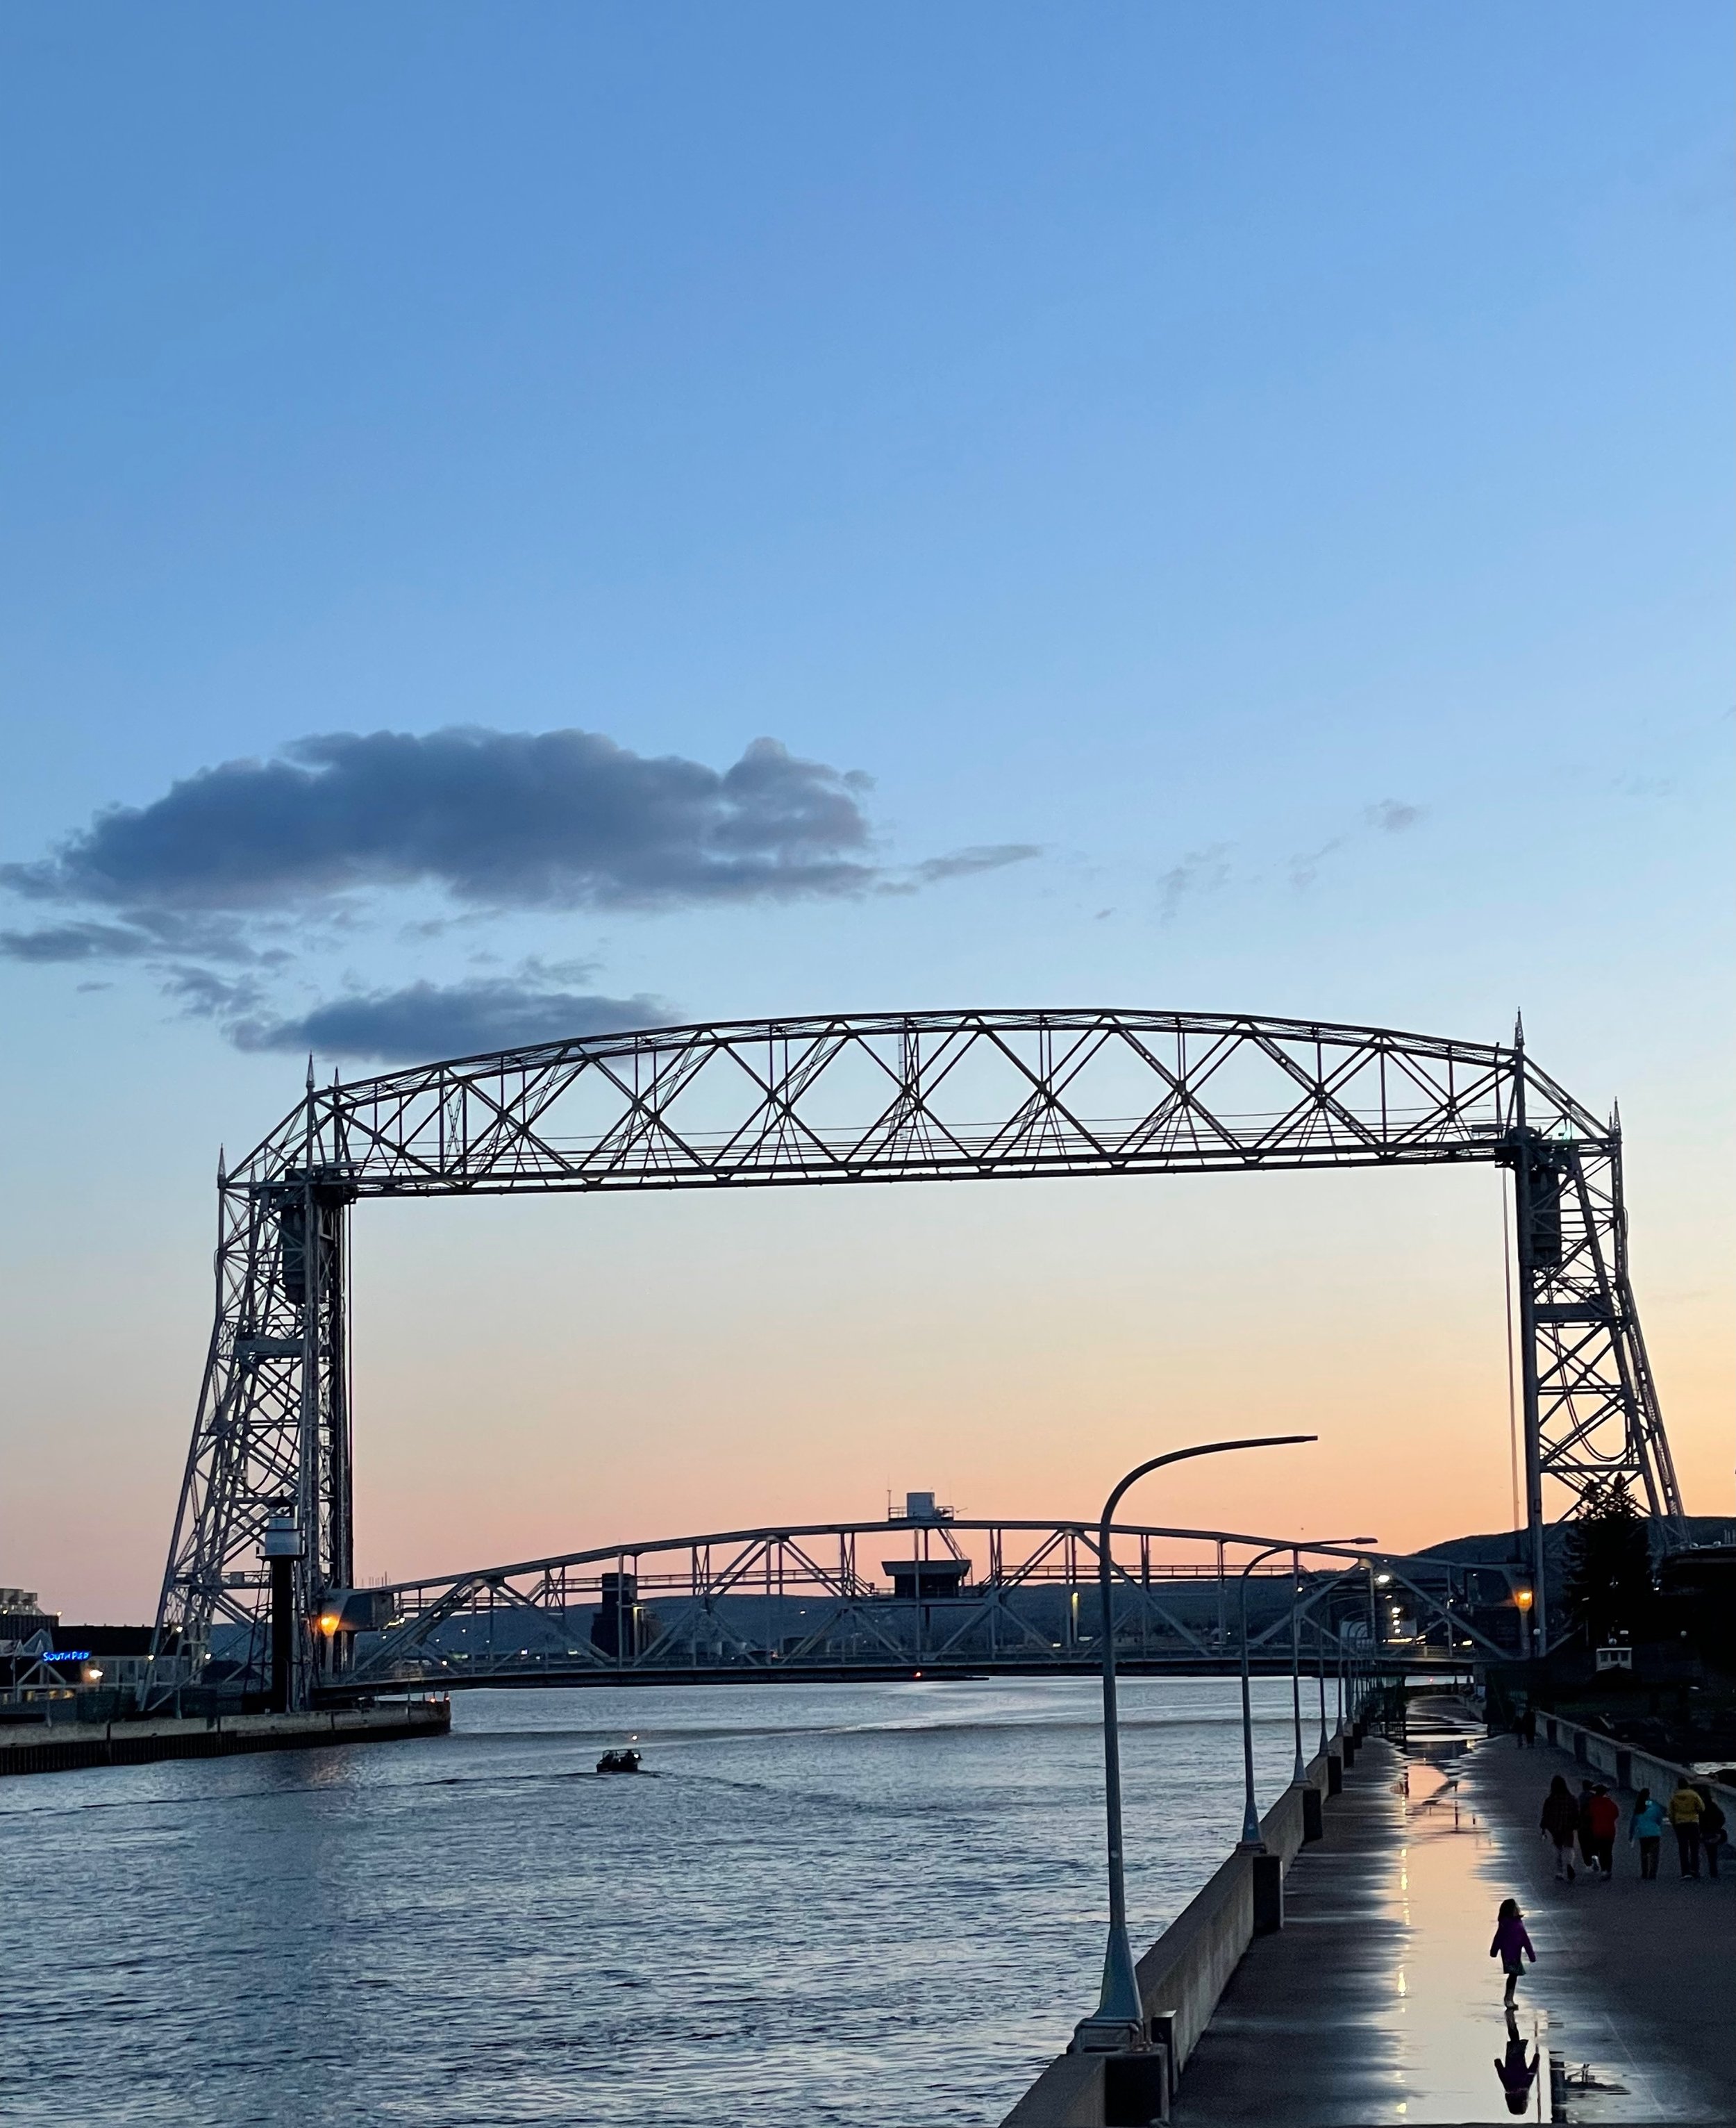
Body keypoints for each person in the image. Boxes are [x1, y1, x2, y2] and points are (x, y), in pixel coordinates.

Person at [1494, 2004, 1540, 2117]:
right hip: (1511, 2057)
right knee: (1514, 2037)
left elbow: (1531, 2073)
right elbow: (1502, 2075)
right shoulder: (1509, 2088)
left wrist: (1536, 2059)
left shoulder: (1523, 2088)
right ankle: (1510, 2017)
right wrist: (1498, 2064)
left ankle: (1510, 2016)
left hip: (1518, 2057)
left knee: (1514, 2036)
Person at [1489, 1897, 1535, 2002]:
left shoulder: (1505, 1923)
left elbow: (1498, 1938)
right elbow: (1526, 1940)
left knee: (1513, 1975)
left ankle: (1509, 1997)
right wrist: (1531, 1956)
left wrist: (1494, 1951)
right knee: (1513, 1975)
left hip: (1508, 1954)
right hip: (1513, 1954)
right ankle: (1509, 1998)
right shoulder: (1515, 1924)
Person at [1541, 1774, 1580, 1880]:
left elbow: (1546, 1814)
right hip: (1568, 1828)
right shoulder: (1571, 1799)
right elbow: (1576, 1813)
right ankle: (1570, 1864)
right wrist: (1576, 1825)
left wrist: (1544, 1827)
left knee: (1558, 1849)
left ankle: (1560, 1872)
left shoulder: (1550, 1800)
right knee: (1569, 1848)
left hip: (1555, 1828)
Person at [1669, 1777, 1703, 1877]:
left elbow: (1671, 1812)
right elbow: (1701, 1807)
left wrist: (1674, 1822)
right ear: (1687, 1785)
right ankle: (1695, 1870)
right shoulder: (1694, 1795)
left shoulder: (1675, 1796)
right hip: (1693, 1822)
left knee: (1683, 1848)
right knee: (1695, 1847)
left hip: (1680, 1823)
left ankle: (1685, 1871)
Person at [1629, 1787, 1667, 1880]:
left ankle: (1644, 1873)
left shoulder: (1638, 1807)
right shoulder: (1654, 1805)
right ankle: (1652, 1873)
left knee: (1644, 1853)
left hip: (1643, 1833)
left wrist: (1631, 1834)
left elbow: (1634, 1822)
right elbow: (1659, 1818)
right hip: (1654, 1833)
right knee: (1655, 1854)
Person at [1585, 1784, 1619, 1879]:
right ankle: (1609, 1869)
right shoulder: (1610, 1803)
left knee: (1601, 1852)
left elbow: (1588, 1815)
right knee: (1608, 1851)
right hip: (1610, 1831)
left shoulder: (1592, 1803)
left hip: (1597, 1831)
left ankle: (1604, 1870)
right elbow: (1616, 1814)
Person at [1697, 1786, 1726, 1880]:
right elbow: (1722, 1818)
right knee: (1713, 1853)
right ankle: (1713, 1872)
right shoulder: (1714, 1807)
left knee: (1703, 1852)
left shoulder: (1700, 1809)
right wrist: (1717, 1828)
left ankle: (1702, 1871)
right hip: (1714, 1832)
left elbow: (1698, 1820)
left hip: (1704, 1832)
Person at [1575, 1779, 1599, 1871]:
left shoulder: (1580, 1798)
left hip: (1582, 1826)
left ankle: (1588, 1864)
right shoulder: (1594, 1797)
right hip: (1593, 1826)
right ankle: (1595, 1860)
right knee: (1594, 1845)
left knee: (1584, 1846)